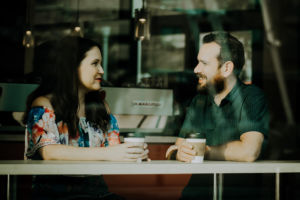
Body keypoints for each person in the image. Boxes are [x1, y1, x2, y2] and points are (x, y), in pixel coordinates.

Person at [23, 36, 148, 200]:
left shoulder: (101, 106)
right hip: (56, 194)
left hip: (98, 193)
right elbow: (50, 152)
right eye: (95, 63)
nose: (102, 71)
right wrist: (110, 153)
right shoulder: (44, 104)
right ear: (72, 67)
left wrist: (133, 153)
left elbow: (113, 148)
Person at [166, 31, 269, 199]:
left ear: (227, 68)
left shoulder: (251, 97)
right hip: (195, 195)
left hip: (236, 195)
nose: (196, 69)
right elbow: (177, 148)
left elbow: (249, 152)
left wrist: (204, 152)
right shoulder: (199, 101)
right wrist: (178, 154)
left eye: (204, 63)